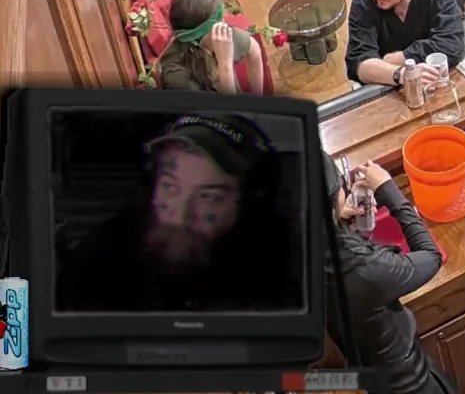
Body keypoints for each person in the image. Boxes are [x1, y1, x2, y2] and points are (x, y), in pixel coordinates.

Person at [57, 114, 299, 312]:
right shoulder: (102, 254)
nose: (179, 217)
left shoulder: (284, 269)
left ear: (250, 204)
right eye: (170, 186)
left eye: (209, 197)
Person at [322, 155, 455, 394]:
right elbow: (431, 256)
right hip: (411, 384)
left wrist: (341, 225)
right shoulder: (366, 270)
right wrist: (388, 190)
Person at [157, 0, 265, 94]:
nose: (223, 26)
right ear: (197, 37)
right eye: (218, 22)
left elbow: (254, 50)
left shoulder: (220, 35)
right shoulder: (177, 77)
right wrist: (225, 65)